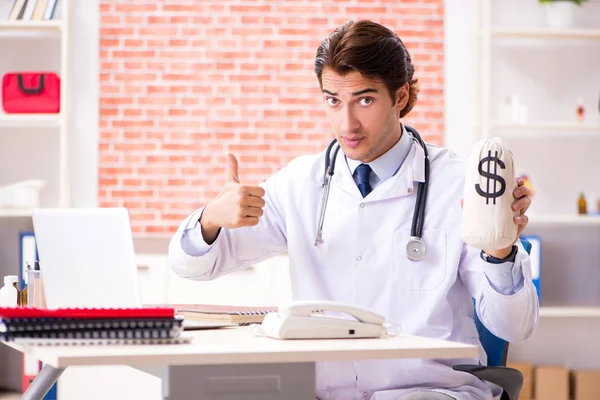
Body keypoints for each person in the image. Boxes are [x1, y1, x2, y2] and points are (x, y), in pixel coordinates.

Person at [168, 20, 538, 400]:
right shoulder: (299, 183)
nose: (347, 124)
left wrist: (500, 251)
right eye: (332, 101)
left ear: (400, 95)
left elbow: (515, 326)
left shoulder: (459, 184)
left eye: (364, 100)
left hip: (430, 390)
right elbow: (191, 266)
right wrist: (211, 218)